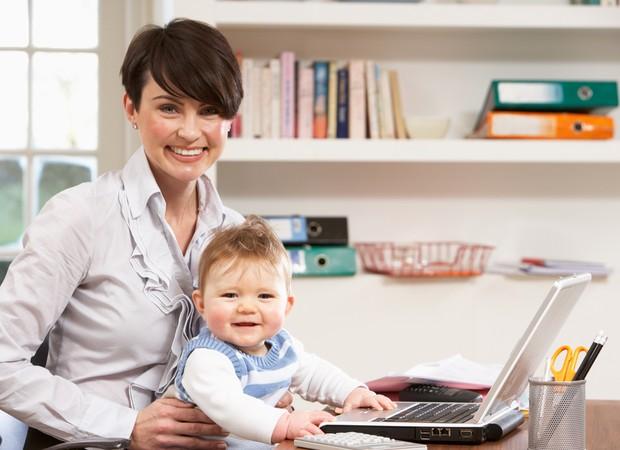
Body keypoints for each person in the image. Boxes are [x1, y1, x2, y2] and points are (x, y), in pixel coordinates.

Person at [0, 18, 292, 450]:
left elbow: (260, 348)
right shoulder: (80, 216)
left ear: (229, 120)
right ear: (132, 109)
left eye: (209, 110)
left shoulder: (235, 233)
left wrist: (266, 392)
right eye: (169, 108)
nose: (191, 132)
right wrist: (127, 425)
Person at [169, 215, 396, 445]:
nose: (247, 307)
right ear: (202, 304)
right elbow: (231, 407)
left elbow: (313, 373)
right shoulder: (206, 358)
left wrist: (351, 392)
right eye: (230, 295)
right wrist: (284, 423)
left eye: (264, 296)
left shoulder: (283, 347)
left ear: (286, 306)